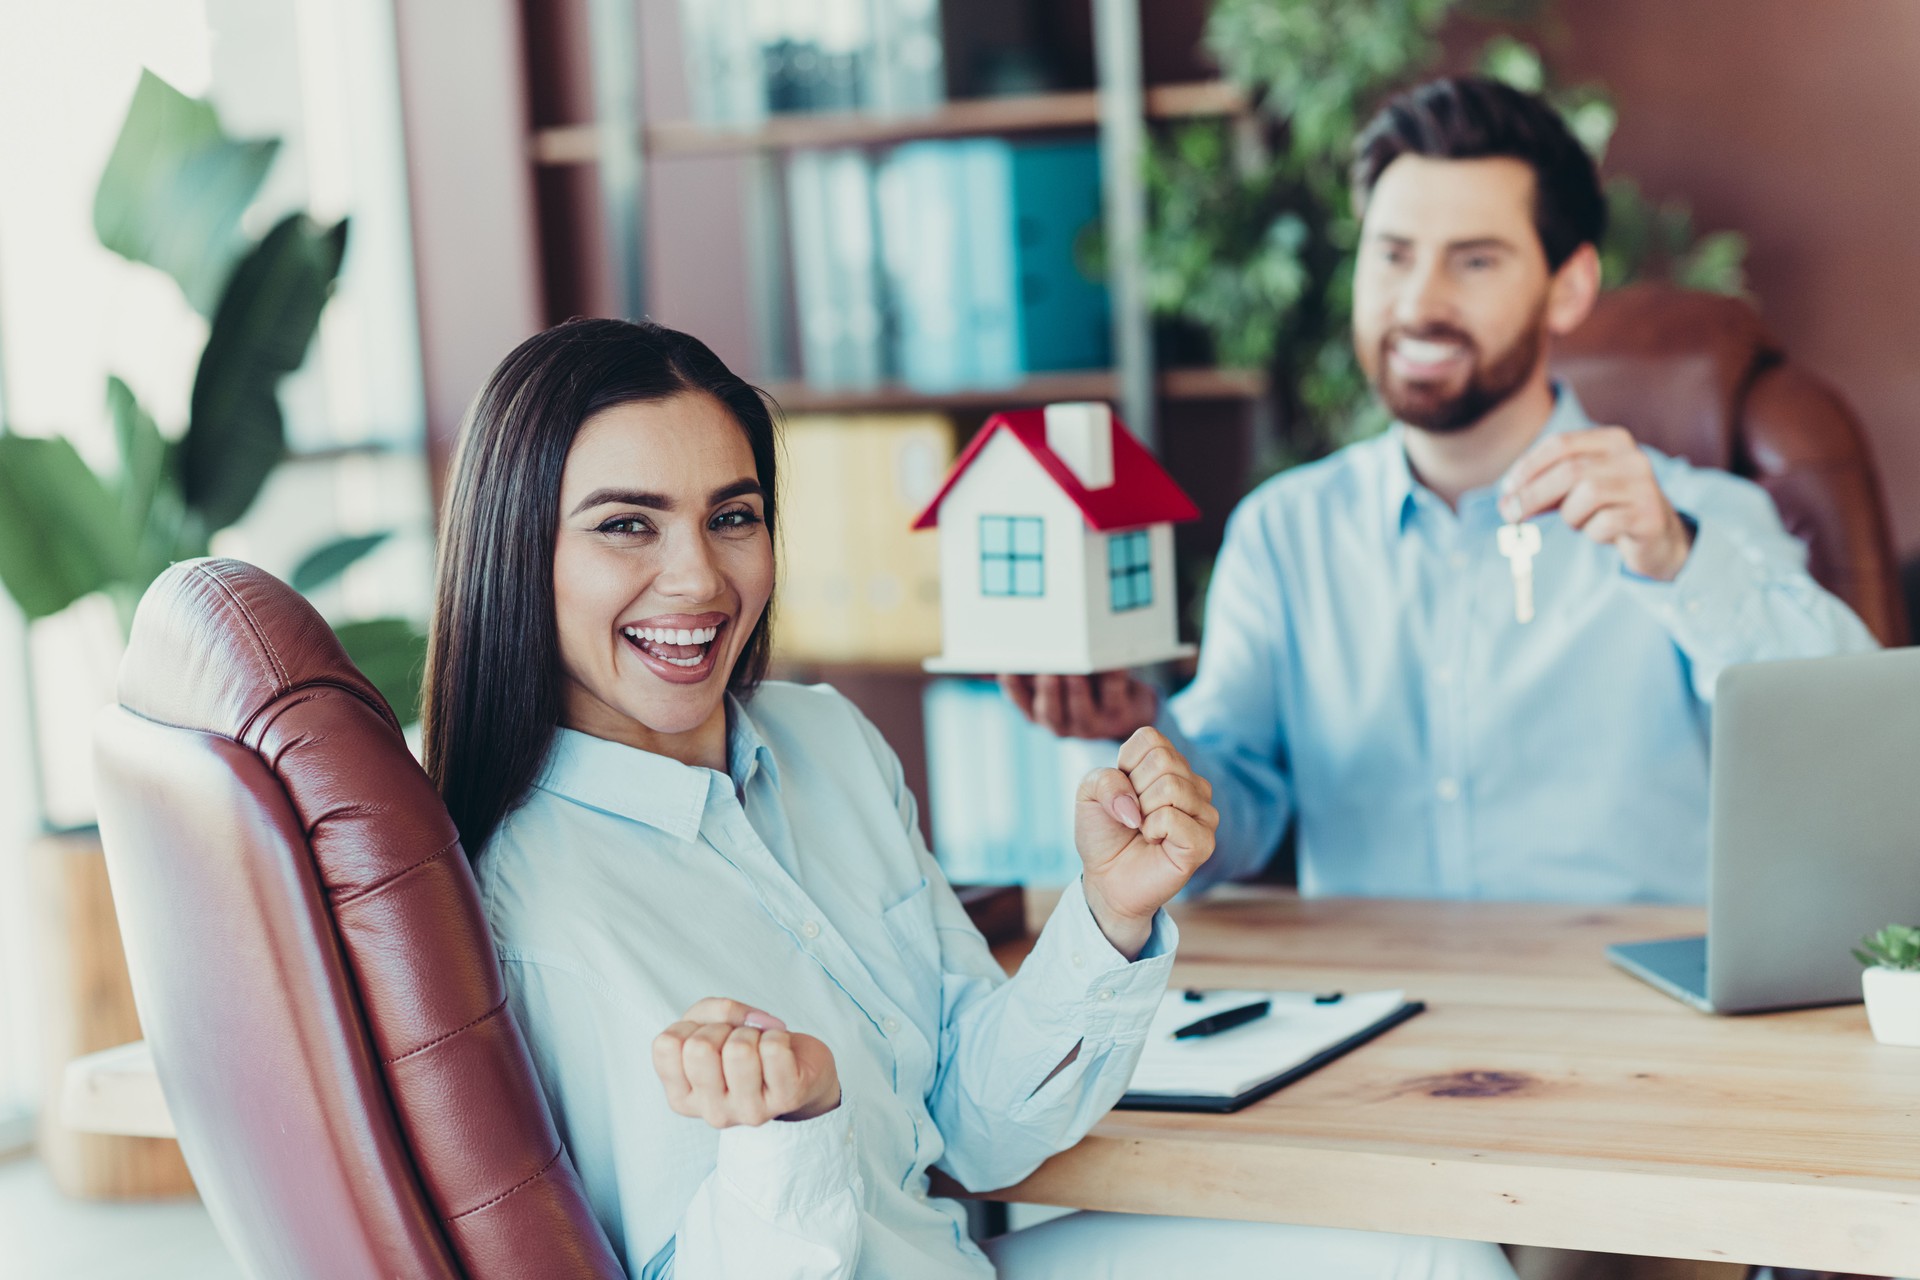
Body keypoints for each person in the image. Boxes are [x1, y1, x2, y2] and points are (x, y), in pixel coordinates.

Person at [422, 317, 1515, 1279]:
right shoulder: (531, 909)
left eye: (734, 515)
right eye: (627, 524)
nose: (701, 579)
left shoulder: (825, 742)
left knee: (1429, 1252)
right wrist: (788, 1129)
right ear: (519, 553)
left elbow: (979, 1127)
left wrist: (1109, 913)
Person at [1003, 76, 1877, 904]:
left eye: (1475, 261)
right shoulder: (1285, 532)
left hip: (1631, 1027)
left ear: (1567, 288)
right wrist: (1136, 743)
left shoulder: (1694, 516)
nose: (1418, 302)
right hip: (1373, 1027)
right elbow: (1234, 823)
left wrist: (1679, 561)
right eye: (1392, 255)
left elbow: (1853, 760)